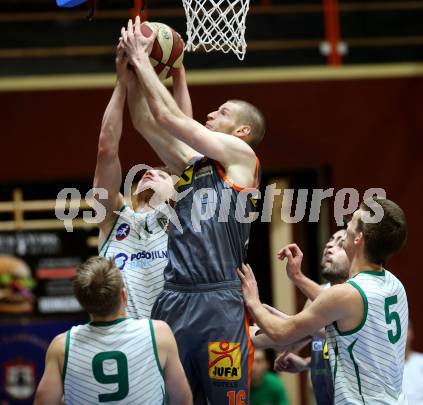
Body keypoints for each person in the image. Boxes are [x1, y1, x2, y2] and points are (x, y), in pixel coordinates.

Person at [120, 17, 265, 404]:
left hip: (219, 303)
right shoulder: (193, 165)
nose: (211, 114)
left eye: (222, 111)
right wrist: (132, 71)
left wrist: (145, 59)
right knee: (169, 398)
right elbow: (145, 121)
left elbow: (170, 118)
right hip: (174, 297)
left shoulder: (242, 158)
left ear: (241, 132)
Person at [238, 197, 409, 404]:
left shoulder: (346, 294)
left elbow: (280, 333)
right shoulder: (394, 285)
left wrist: (253, 300)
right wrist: (297, 277)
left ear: (358, 238)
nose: (346, 227)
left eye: (350, 223)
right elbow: (331, 314)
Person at [94, 44, 187, 318]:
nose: (152, 172)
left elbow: (184, 139)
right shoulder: (113, 218)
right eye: (150, 171)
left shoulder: (183, 214)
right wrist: (121, 83)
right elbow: (106, 149)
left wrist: (178, 72)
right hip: (127, 337)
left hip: (176, 333)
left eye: (162, 173)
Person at [34, 256, 192, 405]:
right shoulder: (158, 333)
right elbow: (182, 399)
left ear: (83, 303)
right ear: (124, 296)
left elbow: (43, 401)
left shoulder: (62, 346)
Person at [274, 228, 349, 405]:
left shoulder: (356, 296)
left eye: (341, 243)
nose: (329, 245)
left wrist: (256, 307)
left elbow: (292, 331)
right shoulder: (317, 296)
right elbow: (297, 337)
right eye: (330, 239)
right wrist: (307, 363)